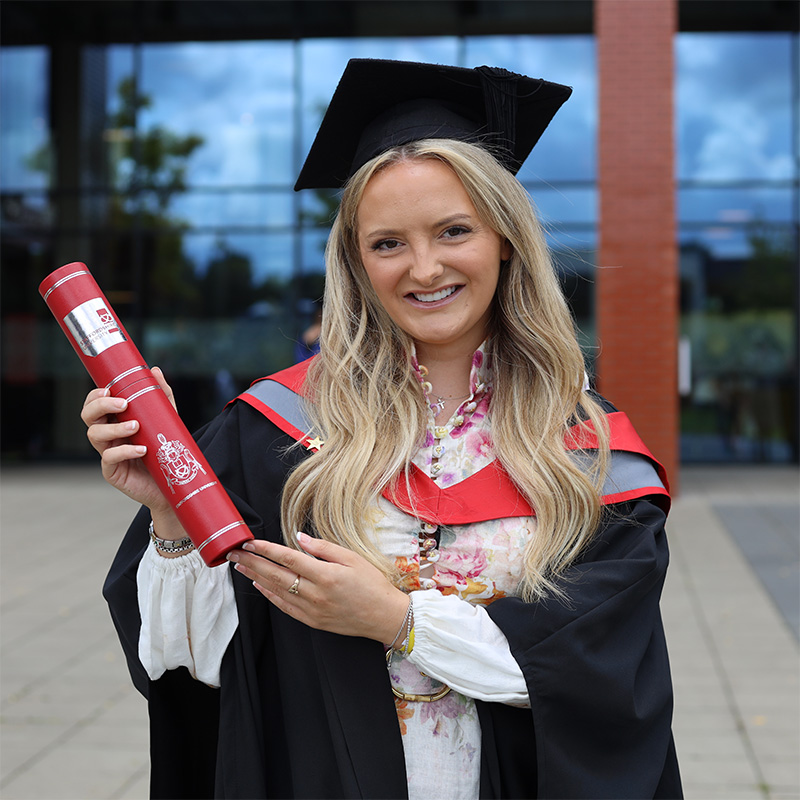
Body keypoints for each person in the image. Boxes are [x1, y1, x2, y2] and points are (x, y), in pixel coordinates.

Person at [83, 59, 682, 799]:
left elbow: (601, 672)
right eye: (388, 242)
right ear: (357, 263)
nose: (424, 267)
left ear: (504, 237)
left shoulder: (587, 456)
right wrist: (171, 512)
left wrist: (396, 620)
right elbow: (202, 672)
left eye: (453, 230)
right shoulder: (276, 432)